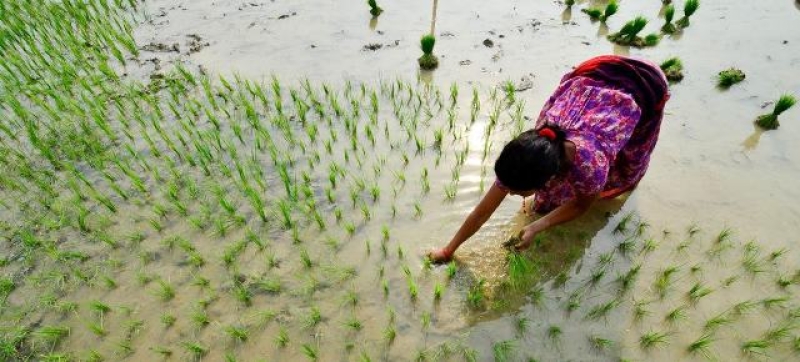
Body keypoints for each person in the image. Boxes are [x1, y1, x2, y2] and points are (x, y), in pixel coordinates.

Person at [428, 55, 670, 263]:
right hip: (594, 74)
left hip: (645, 86)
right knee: (553, 200)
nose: (509, 194)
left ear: (549, 177)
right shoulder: (527, 154)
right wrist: (448, 250)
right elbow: (482, 212)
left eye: (516, 191)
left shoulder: (590, 164)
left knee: (630, 159)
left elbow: (581, 204)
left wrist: (537, 226)